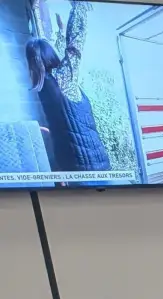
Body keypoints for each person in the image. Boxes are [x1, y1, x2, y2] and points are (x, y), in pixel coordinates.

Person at [26, 0, 111, 175]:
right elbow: (74, 46)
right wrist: (78, 7)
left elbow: (40, 50)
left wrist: (39, 12)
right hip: (92, 167)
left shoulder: (43, 85)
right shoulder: (62, 79)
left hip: (70, 167)